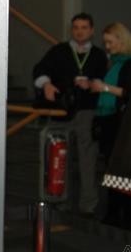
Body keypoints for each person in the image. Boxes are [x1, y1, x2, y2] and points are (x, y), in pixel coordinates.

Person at [33, 13, 108, 215]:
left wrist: (92, 84)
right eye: (76, 27)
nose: (79, 31)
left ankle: (88, 205)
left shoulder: (99, 55)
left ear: (92, 30)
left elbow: (105, 81)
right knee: (58, 158)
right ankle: (59, 200)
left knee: (88, 160)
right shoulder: (59, 51)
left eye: (84, 27)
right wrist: (46, 84)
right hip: (61, 111)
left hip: (88, 112)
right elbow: (40, 69)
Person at [90, 22, 131, 229]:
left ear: (121, 40)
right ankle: (115, 214)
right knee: (113, 171)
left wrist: (104, 88)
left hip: (122, 123)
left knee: (121, 171)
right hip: (112, 121)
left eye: (110, 42)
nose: (107, 46)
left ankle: (124, 217)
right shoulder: (116, 62)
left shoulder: (130, 63)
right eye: (105, 42)